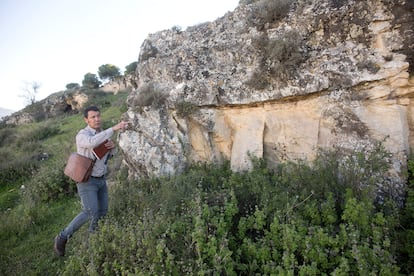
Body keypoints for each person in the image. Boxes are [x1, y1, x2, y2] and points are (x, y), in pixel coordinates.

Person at [54, 105, 128, 257]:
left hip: (101, 180)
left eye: (98, 116)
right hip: (87, 181)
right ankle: (62, 237)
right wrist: (113, 129)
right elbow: (91, 143)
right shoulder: (82, 135)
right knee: (89, 211)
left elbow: (110, 154)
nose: (97, 119)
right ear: (86, 120)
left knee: (102, 211)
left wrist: (112, 147)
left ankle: (93, 239)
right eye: (93, 117)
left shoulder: (102, 133)